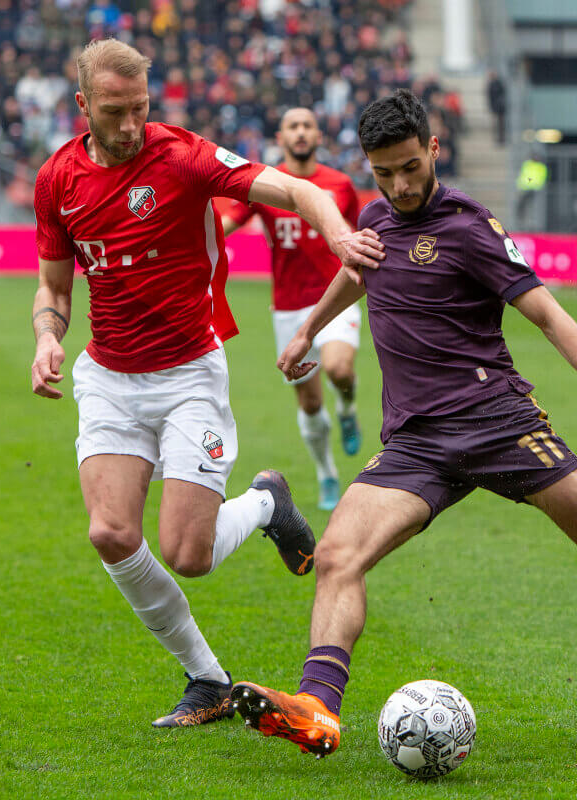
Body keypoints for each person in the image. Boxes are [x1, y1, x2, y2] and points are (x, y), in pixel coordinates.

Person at [230, 90, 577, 757]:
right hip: (418, 443)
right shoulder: (374, 219)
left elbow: (548, 314)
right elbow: (357, 271)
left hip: (498, 425)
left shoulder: (469, 228)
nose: (398, 185)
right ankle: (317, 707)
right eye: (383, 172)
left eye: (409, 167)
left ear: (433, 149)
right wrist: (308, 328)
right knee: (338, 556)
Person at [30, 39, 383, 729]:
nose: (131, 126)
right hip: (108, 377)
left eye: (141, 109)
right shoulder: (56, 181)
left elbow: (296, 187)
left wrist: (338, 232)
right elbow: (54, 287)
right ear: (82, 108)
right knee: (109, 532)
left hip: (189, 371)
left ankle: (264, 503)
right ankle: (208, 679)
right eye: (114, 112)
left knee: (187, 555)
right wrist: (48, 333)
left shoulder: (182, 156)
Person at [222, 108, 363, 512]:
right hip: (288, 308)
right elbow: (226, 222)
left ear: (319, 135)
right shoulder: (268, 185)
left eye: (307, 126)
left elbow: (353, 234)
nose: (301, 133)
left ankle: (349, 409)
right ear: (280, 138)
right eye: (293, 127)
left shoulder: (340, 185)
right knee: (311, 405)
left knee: (339, 369)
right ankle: (326, 474)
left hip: (336, 297)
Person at [486, 70, 507, 146]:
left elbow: (502, 93)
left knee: (501, 124)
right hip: (495, 107)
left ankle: (501, 139)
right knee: (496, 124)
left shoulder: (498, 83)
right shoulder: (491, 84)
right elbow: (490, 97)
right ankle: (497, 139)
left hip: (500, 108)